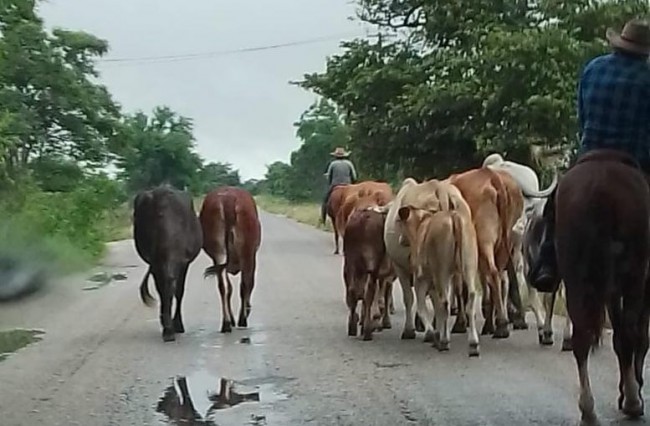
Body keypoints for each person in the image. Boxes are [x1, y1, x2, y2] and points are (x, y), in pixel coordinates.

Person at [529, 18, 650, 292]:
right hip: (635, 160)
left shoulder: (593, 69)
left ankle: (548, 260)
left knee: (553, 206)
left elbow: (583, 119)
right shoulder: (647, 78)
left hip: (591, 154)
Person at [320, 147, 358, 225]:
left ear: (335, 156)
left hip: (335, 185)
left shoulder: (333, 164)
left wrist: (330, 182)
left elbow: (329, 177)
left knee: (325, 200)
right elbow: (354, 176)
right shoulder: (349, 163)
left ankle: (323, 218)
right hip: (348, 185)